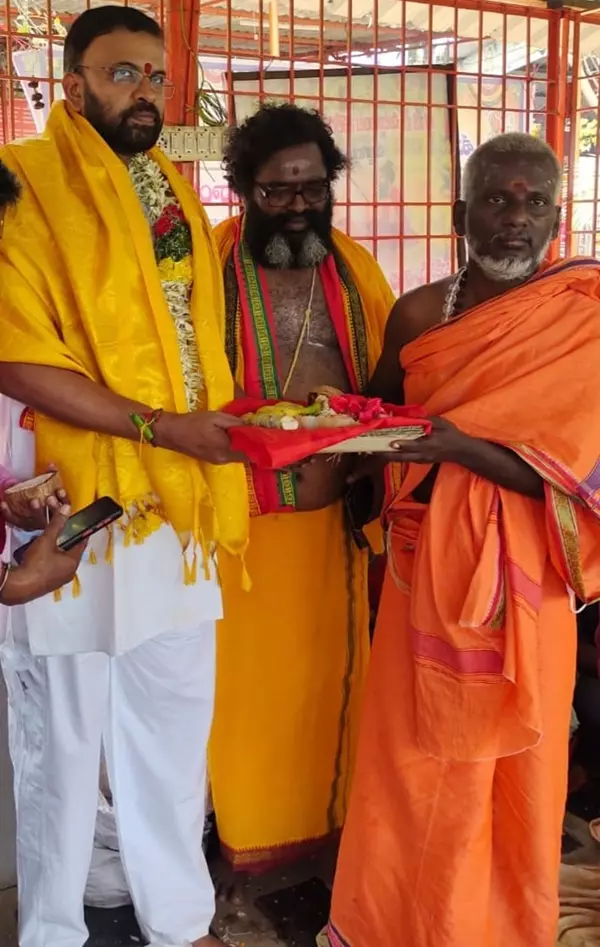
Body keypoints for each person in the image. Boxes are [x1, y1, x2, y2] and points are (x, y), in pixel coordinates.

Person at [0, 6, 248, 947]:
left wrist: (197, 437)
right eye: (119, 74)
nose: (142, 92)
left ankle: (177, 917)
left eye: (154, 76)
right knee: (61, 737)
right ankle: (58, 926)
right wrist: (161, 425)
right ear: (71, 84)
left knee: (173, 719)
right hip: (66, 498)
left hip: (179, 502)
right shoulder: (21, 186)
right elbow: (14, 356)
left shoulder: (172, 194)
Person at [328, 133, 600, 947]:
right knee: (412, 768)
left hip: (530, 590)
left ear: (558, 212)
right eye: (495, 200)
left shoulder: (582, 317)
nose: (516, 220)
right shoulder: (419, 313)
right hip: (420, 580)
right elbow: (378, 415)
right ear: (459, 214)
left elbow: (576, 476)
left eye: (535, 202)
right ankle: (397, 926)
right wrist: (336, 442)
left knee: (517, 774)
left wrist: (459, 447)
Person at [209, 103, 395, 871]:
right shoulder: (207, 271)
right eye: (275, 192)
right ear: (242, 190)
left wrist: (365, 462)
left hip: (329, 522)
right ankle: (238, 833)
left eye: (312, 189)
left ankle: (330, 829)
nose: (295, 207)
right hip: (235, 525)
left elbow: (390, 381)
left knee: (329, 677)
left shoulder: (356, 269)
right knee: (236, 689)